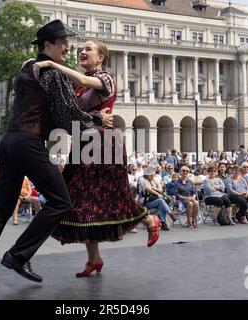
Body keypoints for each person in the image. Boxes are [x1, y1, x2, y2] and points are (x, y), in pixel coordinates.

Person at [0, 20, 114, 289]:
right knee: (61, 202)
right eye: (62, 42)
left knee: (1, 209)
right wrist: (98, 120)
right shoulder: (54, 75)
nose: (68, 47)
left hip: (9, 142)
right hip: (29, 143)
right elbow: (66, 116)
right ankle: (18, 256)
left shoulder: (27, 66)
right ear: (47, 45)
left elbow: (52, 113)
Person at [35, 39, 160, 277]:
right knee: (79, 198)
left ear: (100, 57)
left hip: (103, 142)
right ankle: (94, 259)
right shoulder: (78, 88)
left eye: (88, 49)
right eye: (81, 49)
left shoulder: (106, 78)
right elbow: (69, 108)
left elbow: (82, 80)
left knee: (111, 194)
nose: (82, 52)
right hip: (83, 140)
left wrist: (50, 63)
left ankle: (148, 220)